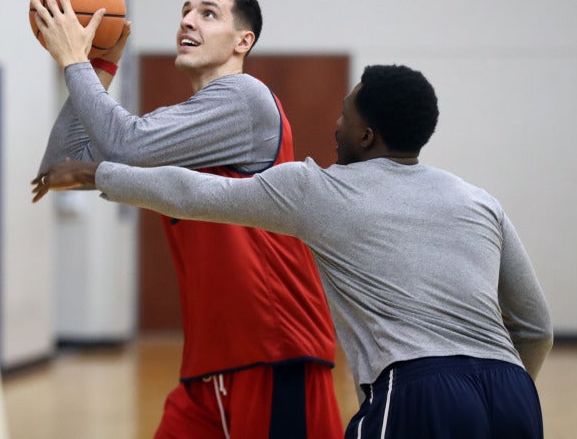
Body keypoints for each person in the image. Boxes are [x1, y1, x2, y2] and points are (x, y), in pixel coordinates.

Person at [34, 64, 554, 439]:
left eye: (345, 117)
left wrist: (96, 172)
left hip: (419, 391)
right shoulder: (479, 200)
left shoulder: (321, 190)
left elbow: (195, 193)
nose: (335, 125)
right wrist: (495, 388)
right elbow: (534, 327)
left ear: (367, 135)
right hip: (512, 391)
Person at [30, 0, 343, 438]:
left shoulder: (246, 98)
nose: (188, 20)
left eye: (208, 13)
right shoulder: (183, 124)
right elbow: (60, 163)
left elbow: (125, 146)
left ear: (243, 41)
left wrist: (75, 61)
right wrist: (100, 63)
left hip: (275, 351)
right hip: (207, 365)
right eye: (185, 11)